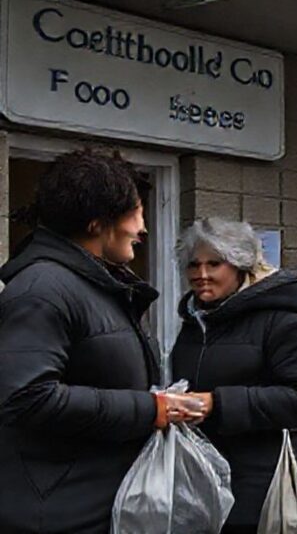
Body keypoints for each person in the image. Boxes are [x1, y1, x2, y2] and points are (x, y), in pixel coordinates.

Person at [0, 150, 192, 533]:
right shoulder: (43, 289)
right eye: (137, 212)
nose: (143, 228)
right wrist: (148, 409)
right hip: (58, 513)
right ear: (97, 222)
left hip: (93, 504)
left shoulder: (93, 285)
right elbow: (26, 397)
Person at [171, 218, 297, 533]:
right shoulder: (198, 321)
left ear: (241, 266)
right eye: (193, 265)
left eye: (214, 264)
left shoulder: (284, 319)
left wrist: (217, 403)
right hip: (214, 479)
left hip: (270, 481)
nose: (201, 275)